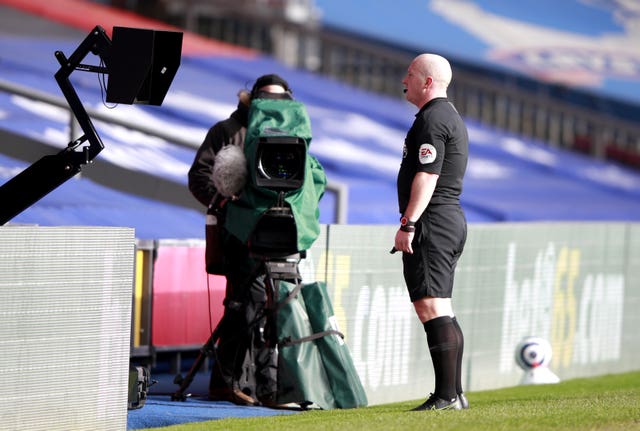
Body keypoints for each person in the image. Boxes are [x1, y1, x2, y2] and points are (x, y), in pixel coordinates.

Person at [188, 74, 294, 406]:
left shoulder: (290, 134)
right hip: (237, 235)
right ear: (251, 98)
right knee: (243, 308)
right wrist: (226, 201)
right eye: (265, 99)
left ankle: (269, 386)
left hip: (278, 232)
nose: (271, 107)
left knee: (275, 310)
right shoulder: (227, 131)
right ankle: (229, 382)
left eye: (279, 101)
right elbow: (199, 176)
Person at [393, 53, 469, 411]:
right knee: (440, 306)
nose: (404, 79)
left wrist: (408, 223)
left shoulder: (434, 119)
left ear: (427, 82)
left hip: (434, 221)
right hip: (446, 219)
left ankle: (447, 396)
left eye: (410, 74)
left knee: (432, 306)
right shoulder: (443, 115)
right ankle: (454, 394)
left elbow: (428, 175)